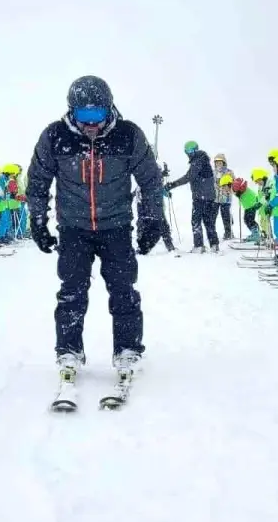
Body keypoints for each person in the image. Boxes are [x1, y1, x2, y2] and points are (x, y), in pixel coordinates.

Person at [26, 75, 163, 379]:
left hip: (116, 228)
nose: (91, 124)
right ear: (71, 111)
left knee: (124, 291)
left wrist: (152, 219)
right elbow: (37, 182)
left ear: (109, 109)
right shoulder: (55, 136)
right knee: (72, 292)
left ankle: (127, 349)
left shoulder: (128, 135)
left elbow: (151, 181)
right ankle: (69, 351)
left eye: (98, 115)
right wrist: (38, 219)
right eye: (84, 116)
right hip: (73, 229)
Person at [164, 140, 218, 253]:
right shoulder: (203, 160)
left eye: (190, 150)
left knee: (196, 221)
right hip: (209, 197)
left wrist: (172, 185)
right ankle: (214, 245)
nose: (188, 153)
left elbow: (189, 177)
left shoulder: (197, 161)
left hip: (200, 197)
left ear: (195, 149)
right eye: (186, 151)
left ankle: (199, 246)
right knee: (208, 221)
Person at [228, 176, 261, 242]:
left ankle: (256, 235)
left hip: (250, 204)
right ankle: (256, 233)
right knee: (249, 220)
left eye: (224, 187)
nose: (224, 189)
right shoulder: (234, 185)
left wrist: (234, 192)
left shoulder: (234, 186)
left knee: (248, 220)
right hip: (251, 202)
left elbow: (238, 191)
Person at [213, 153, 234, 239]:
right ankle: (212, 233)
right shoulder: (213, 172)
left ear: (224, 163)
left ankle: (228, 233)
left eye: (220, 162)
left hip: (226, 198)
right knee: (212, 216)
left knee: (225, 216)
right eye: (217, 162)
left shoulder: (229, 172)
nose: (218, 164)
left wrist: (230, 187)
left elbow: (234, 183)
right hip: (215, 198)